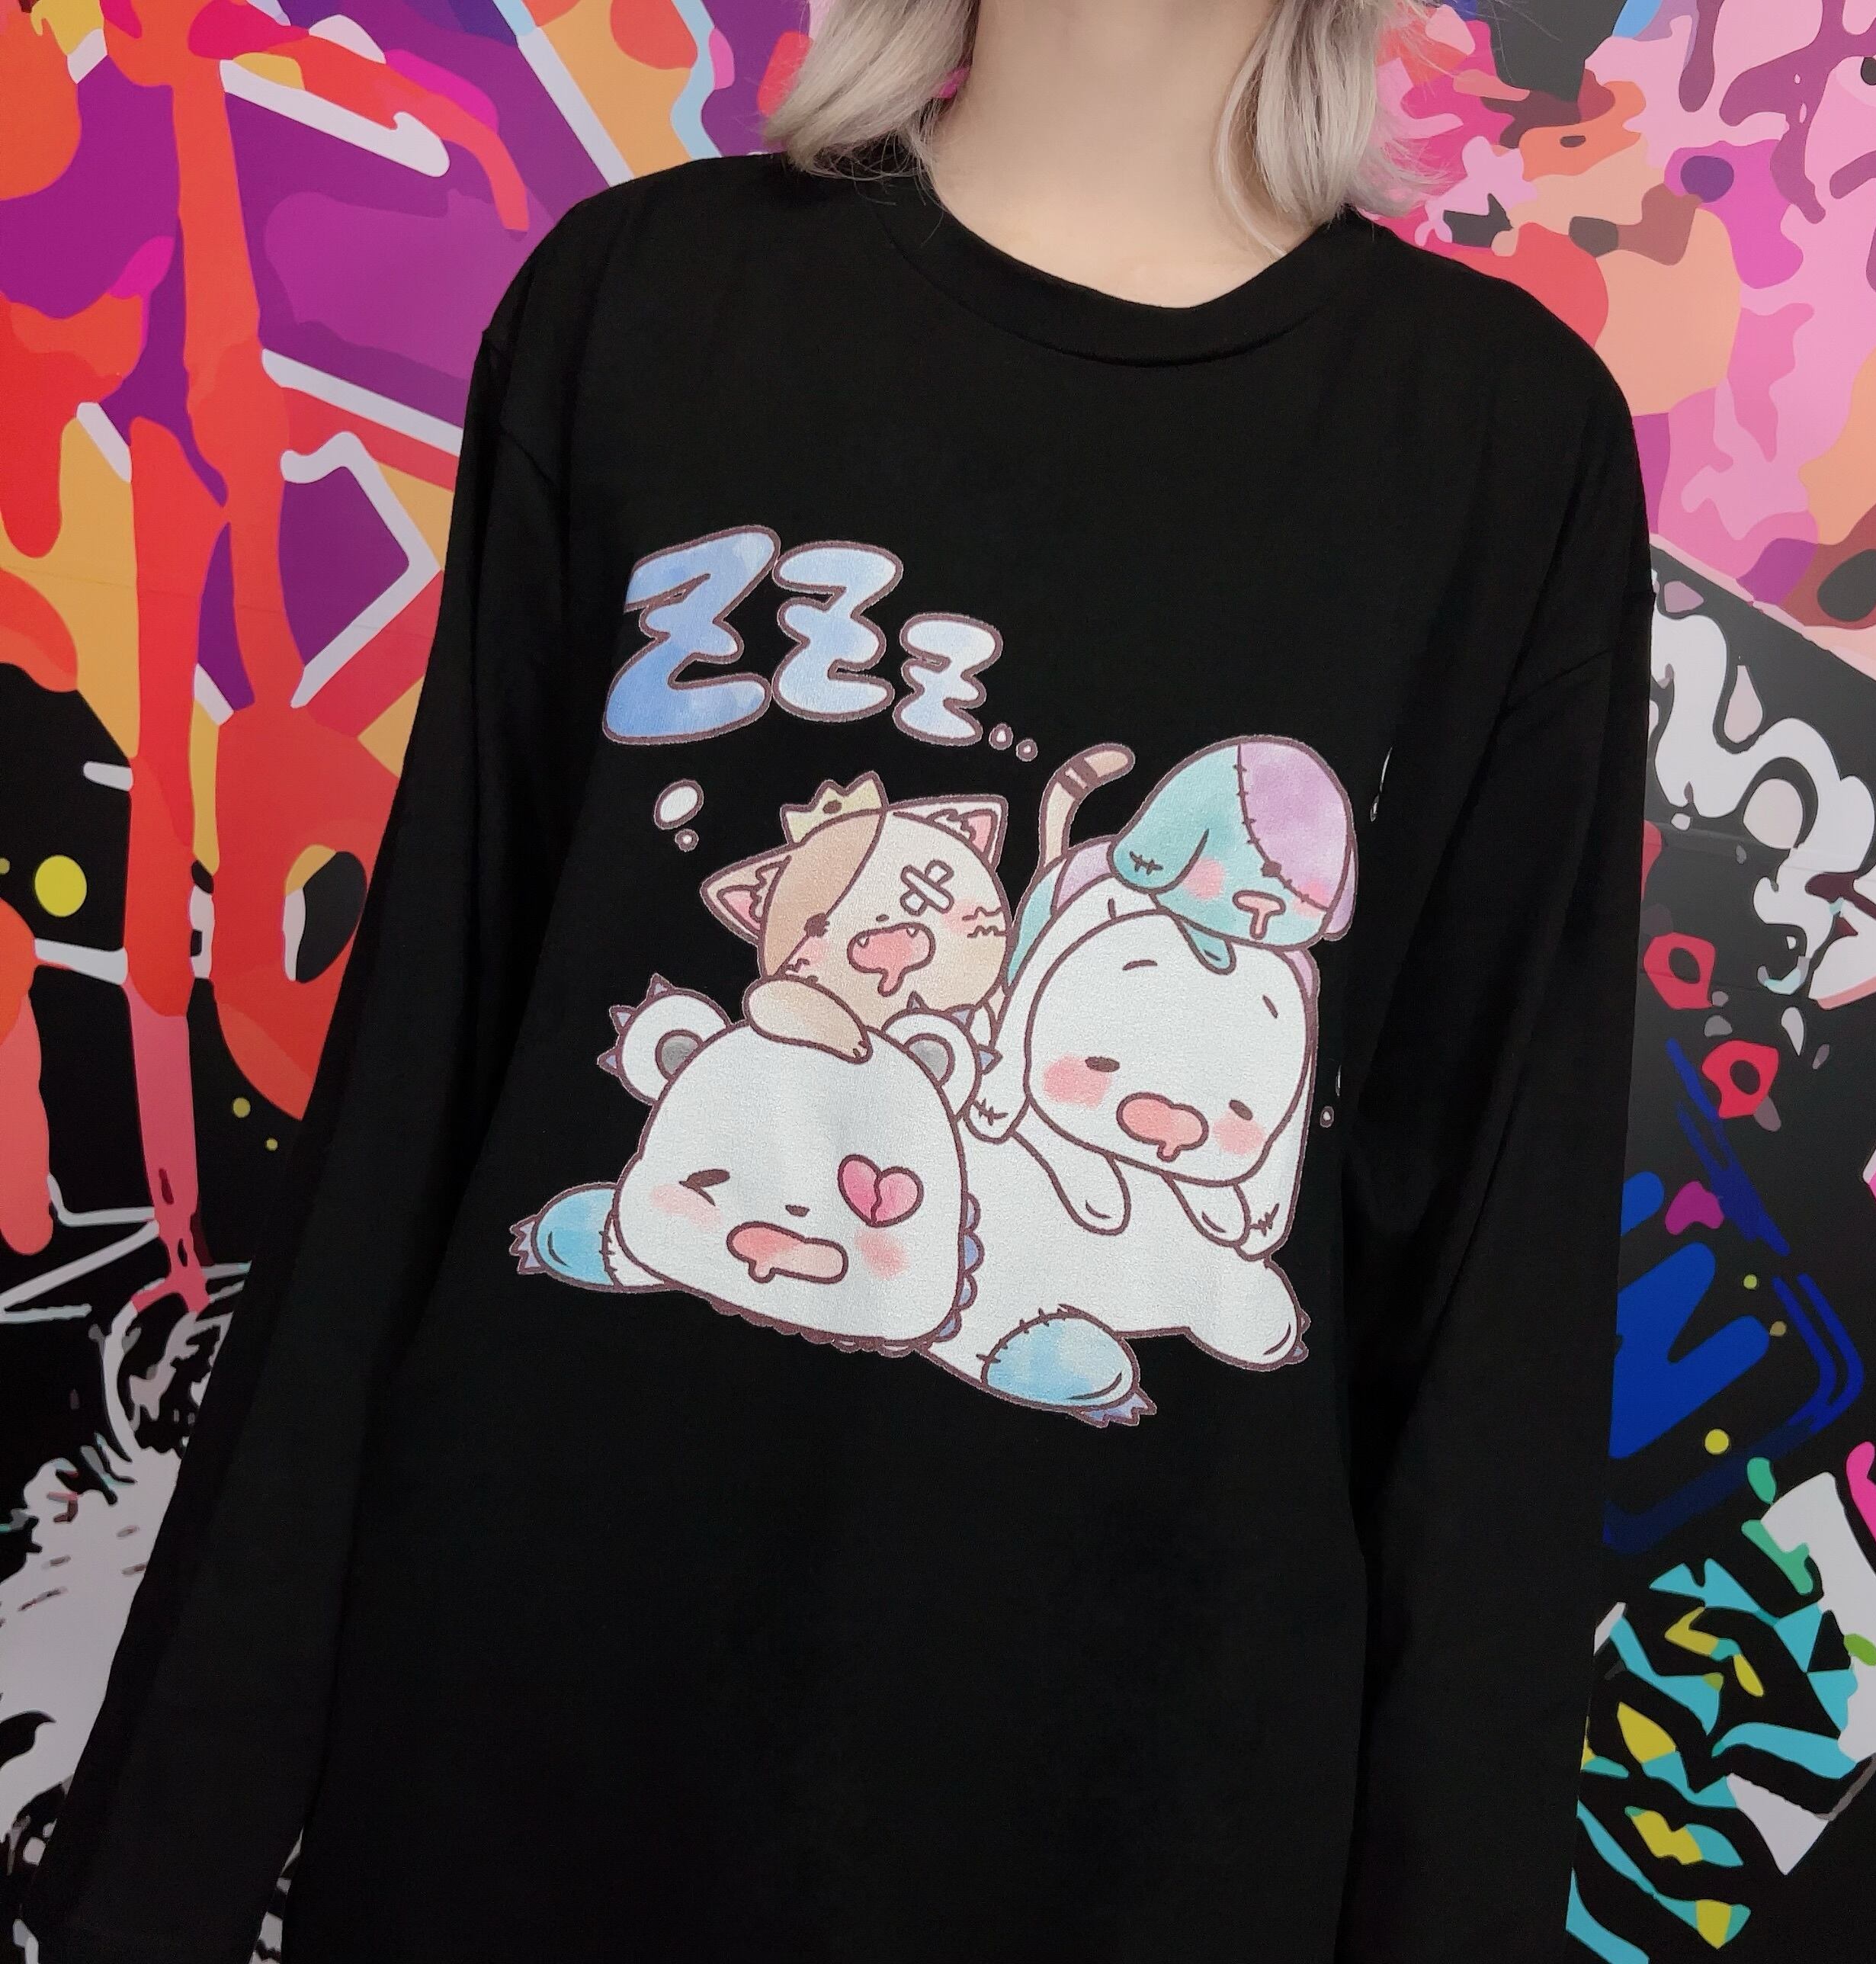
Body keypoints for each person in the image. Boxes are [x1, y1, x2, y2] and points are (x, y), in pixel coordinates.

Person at [22, 2, 1654, 1959]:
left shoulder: (1496, 445)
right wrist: (162, 1872)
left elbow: (1494, 1283)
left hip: (1133, 1821)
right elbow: (412, 1097)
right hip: (523, 1762)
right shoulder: (649, 305)